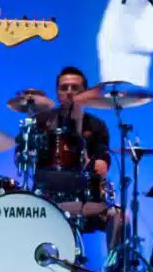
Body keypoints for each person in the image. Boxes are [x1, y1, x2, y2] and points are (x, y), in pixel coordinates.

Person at [21, 67, 123, 250]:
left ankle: (112, 267)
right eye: (64, 88)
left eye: (75, 88)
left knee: (121, 217)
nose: (69, 92)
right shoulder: (43, 123)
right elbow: (26, 155)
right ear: (57, 92)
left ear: (86, 92)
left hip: (85, 198)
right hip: (48, 198)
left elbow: (102, 160)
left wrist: (99, 162)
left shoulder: (97, 125)